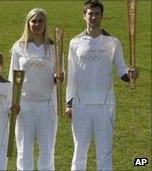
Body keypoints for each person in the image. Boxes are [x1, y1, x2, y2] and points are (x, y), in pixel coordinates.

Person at [65, 0, 139, 170]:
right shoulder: (74, 42)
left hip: (105, 105)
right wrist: (69, 103)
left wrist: (130, 74)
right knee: (79, 151)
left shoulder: (112, 41)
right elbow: (72, 74)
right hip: (81, 104)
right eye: (90, 13)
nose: (94, 17)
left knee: (104, 152)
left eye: (97, 13)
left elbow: (121, 69)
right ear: (84, 16)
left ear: (102, 16)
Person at [9, 8, 64, 170]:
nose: (37, 24)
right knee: (24, 150)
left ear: (45, 23)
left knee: (47, 150)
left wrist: (59, 78)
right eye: (33, 21)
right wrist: (13, 103)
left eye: (40, 21)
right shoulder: (19, 47)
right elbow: (12, 77)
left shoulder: (54, 47)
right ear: (28, 23)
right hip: (24, 106)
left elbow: (60, 75)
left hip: (47, 105)